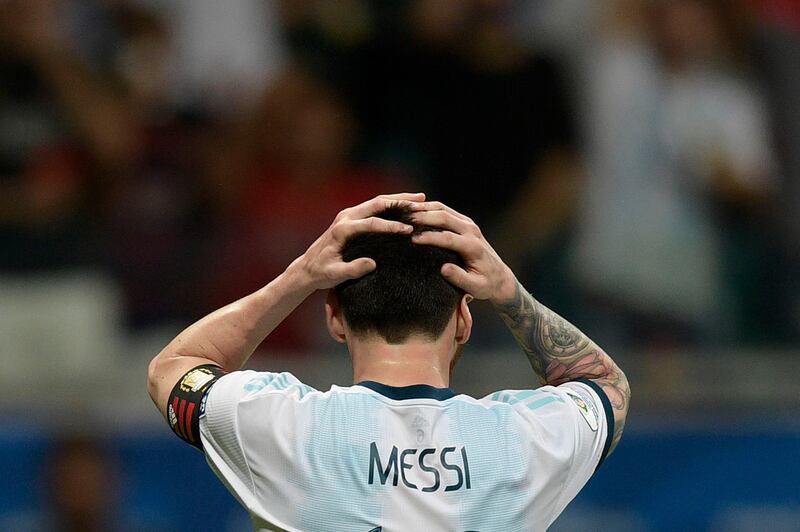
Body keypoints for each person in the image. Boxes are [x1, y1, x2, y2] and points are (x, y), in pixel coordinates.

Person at [147, 193, 630, 531]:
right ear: (464, 319)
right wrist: (509, 292)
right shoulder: (523, 441)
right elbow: (604, 384)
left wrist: (300, 276)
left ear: (334, 318)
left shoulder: (281, 427)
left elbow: (176, 366)